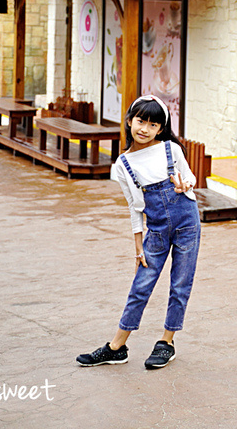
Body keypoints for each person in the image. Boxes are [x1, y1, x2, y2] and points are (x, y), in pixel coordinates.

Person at [76, 94, 200, 370]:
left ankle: (167, 342)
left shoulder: (171, 149)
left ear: (161, 128)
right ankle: (116, 347)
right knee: (141, 285)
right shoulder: (122, 165)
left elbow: (189, 177)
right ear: (130, 121)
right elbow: (134, 207)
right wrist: (137, 245)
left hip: (187, 222)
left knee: (181, 283)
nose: (145, 129)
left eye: (153, 125)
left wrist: (185, 186)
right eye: (141, 121)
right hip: (155, 229)